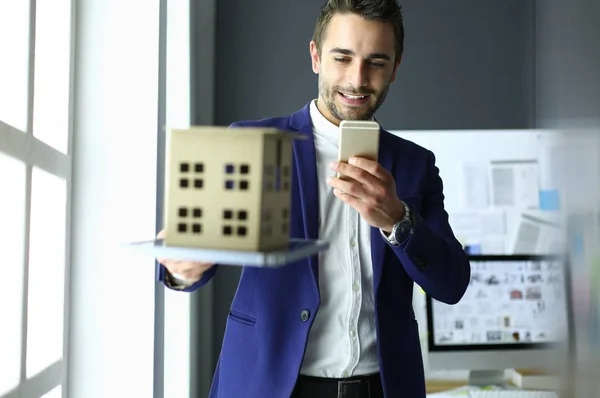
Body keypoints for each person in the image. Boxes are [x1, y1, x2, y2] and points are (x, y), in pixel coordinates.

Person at [156, 0, 470, 397]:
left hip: (382, 388)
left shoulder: (414, 165)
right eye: (343, 58)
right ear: (316, 56)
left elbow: (452, 284)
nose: (358, 79)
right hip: (268, 385)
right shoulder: (252, 143)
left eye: (376, 62)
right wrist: (185, 267)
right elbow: (192, 259)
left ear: (395, 67)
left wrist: (396, 219)